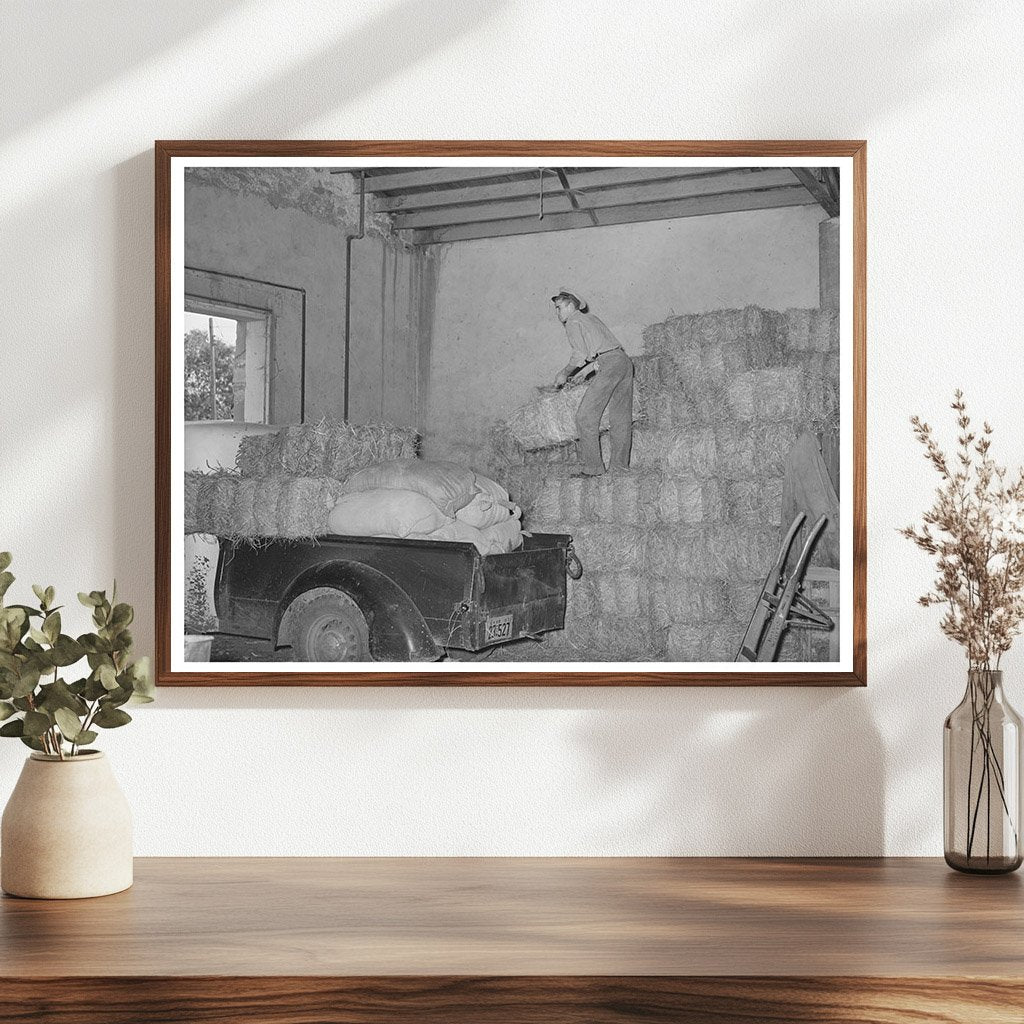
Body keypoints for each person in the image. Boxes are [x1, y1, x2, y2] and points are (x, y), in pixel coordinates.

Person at [551, 288, 634, 477]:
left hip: (610, 364)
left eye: (559, 308)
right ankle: (619, 469)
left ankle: (593, 469)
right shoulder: (591, 319)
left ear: (571, 305)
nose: (558, 314)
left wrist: (564, 373)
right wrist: (587, 371)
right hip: (623, 361)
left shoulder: (573, 321)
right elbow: (604, 349)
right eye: (556, 309)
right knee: (620, 419)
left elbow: (580, 355)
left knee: (585, 417)